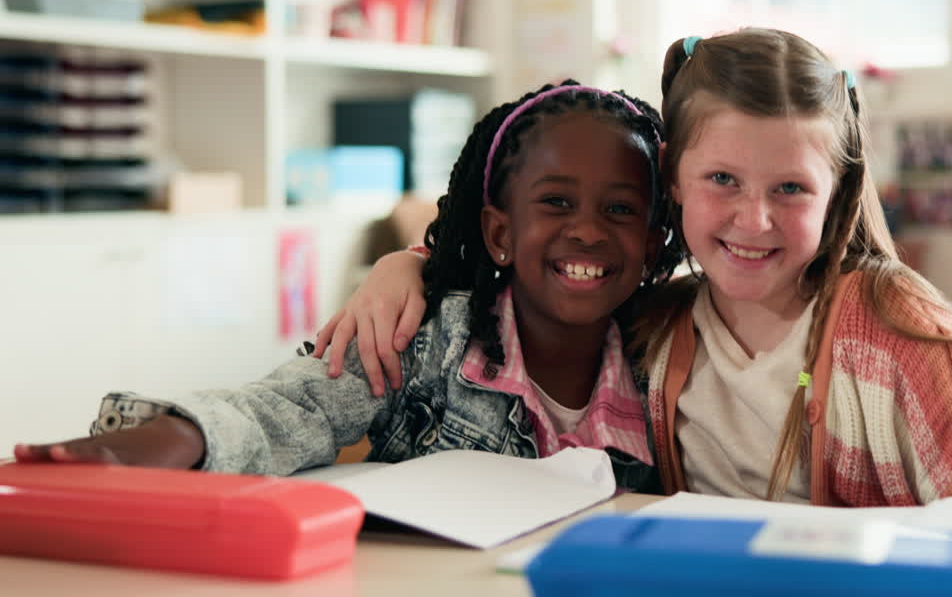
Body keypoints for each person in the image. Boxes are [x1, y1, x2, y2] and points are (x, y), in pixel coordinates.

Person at [314, 29, 952, 520]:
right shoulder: (655, 326)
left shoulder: (898, 331)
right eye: (722, 181)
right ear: (671, 183)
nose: (754, 220)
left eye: (791, 189)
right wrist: (405, 265)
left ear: (837, 192)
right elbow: (528, 290)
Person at [14, 81, 681, 492]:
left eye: (620, 210)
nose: (588, 232)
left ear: (654, 243)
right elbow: (282, 411)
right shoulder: (422, 341)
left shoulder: (673, 363)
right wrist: (125, 453)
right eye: (557, 203)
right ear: (499, 232)